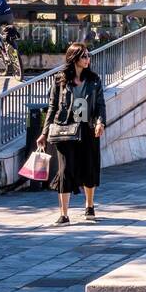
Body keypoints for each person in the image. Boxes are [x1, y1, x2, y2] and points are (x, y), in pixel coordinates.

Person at [37, 43, 105, 226]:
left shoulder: (94, 80)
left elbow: (100, 105)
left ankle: (89, 206)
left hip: (88, 129)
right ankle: (64, 215)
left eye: (88, 56)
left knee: (90, 167)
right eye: (84, 56)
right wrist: (44, 133)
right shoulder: (60, 80)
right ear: (74, 58)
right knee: (65, 170)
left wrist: (100, 122)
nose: (87, 59)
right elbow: (52, 107)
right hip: (65, 130)